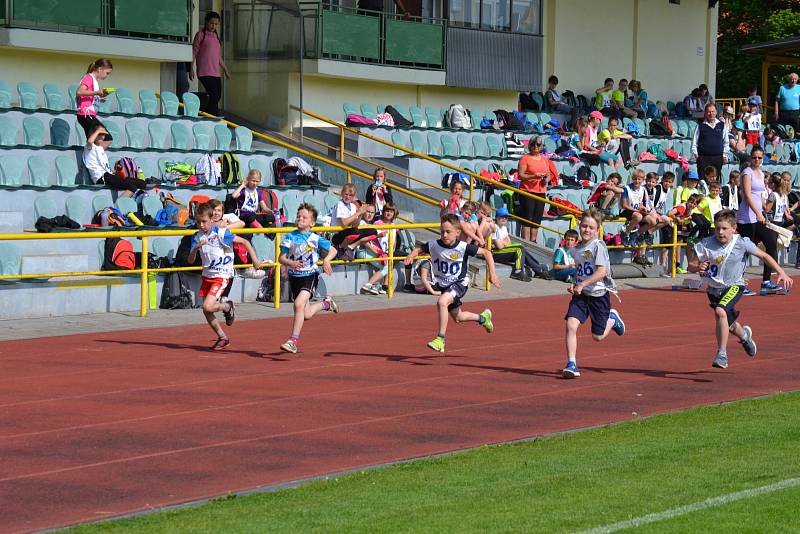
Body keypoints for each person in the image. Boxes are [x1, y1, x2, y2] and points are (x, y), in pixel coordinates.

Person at [689, 210, 792, 369]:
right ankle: (745, 336)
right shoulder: (706, 244)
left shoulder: (742, 243)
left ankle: (722, 354)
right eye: (717, 228)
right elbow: (691, 266)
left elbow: (764, 256)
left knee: (720, 312)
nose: (720, 232)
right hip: (714, 290)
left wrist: (781, 272)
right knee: (728, 324)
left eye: (724, 228)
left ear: (733, 228)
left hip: (735, 286)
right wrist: (698, 267)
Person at [403, 214, 500, 353]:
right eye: (442, 231)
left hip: (459, 283)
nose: (444, 234)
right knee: (458, 317)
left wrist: (493, 274)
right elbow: (419, 249)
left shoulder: (463, 247)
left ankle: (440, 339)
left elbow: (487, 253)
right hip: (444, 286)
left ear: (457, 232)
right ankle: (483, 318)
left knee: (442, 302)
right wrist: (411, 255)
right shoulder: (434, 245)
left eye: (448, 232)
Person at [188, 203, 264, 350]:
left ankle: (227, 306)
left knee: (207, 306)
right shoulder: (196, 237)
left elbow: (244, 241)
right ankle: (222, 337)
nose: (201, 225)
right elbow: (190, 261)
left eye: (204, 221)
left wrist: (254, 260)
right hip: (207, 275)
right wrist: (195, 249)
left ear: (211, 220)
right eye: (198, 222)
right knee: (206, 310)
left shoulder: (221, 233)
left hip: (222, 275)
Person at [562, 208, 625, 379]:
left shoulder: (599, 246)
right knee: (570, 325)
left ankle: (612, 319)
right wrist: (575, 284)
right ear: (579, 226)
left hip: (598, 295)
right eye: (584, 226)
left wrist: (582, 284)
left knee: (597, 336)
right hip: (581, 296)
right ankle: (571, 363)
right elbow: (580, 271)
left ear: (597, 229)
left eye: (591, 227)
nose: (587, 230)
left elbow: (601, 272)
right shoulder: (576, 250)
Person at [278, 203, 339, 354]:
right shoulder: (290, 237)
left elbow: (333, 250)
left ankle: (293, 341)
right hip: (294, 277)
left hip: (310, 276)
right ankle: (326, 304)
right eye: (298, 216)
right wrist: (291, 263)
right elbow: (281, 258)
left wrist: (326, 260)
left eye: (304, 217)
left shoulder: (315, 238)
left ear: (312, 223)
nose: (300, 218)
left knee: (298, 304)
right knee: (306, 314)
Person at [737, 145, 781, 294]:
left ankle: (766, 281)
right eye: (754, 157)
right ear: (751, 157)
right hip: (746, 218)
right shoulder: (746, 173)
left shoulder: (761, 174)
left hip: (758, 215)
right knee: (745, 251)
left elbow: (758, 196)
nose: (757, 160)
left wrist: (764, 208)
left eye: (759, 157)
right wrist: (758, 213)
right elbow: (747, 196)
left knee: (771, 242)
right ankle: (739, 284)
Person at [83, 125, 148, 196]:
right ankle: (118, 205)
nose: (102, 136)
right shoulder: (89, 148)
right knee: (132, 186)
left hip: (108, 175)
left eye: (103, 134)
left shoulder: (100, 148)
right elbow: (90, 141)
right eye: (100, 134)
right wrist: (98, 130)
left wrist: (116, 171)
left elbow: (109, 140)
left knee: (142, 183)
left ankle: (132, 200)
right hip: (101, 178)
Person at [516, 135, 558, 242]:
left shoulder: (544, 159)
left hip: (540, 191)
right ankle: (525, 241)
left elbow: (548, 174)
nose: (536, 146)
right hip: (527, 191)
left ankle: (533, 241)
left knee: (536, 219)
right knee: (527, 218)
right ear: (530, 146)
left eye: (538, 144)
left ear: (541, 146)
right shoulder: (525, 158)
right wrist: (533, 176)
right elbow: (520, 176)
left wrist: (546, 180)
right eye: (533, 144)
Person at [190, 11, 231, 117]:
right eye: (211, 23)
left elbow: (218, 56)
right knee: (213, 95)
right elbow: (194, 52)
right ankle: (213, 116)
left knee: (217, 97)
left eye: (216, 24)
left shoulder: (216, 37)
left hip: (215, 73)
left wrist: (225, 70)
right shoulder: (200, 35)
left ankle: (205, 114)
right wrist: (191, 68)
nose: (214, 26)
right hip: (204, 72)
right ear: (206, 22)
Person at [75, 58, 113, 137]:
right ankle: (89, 149)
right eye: (107, 73)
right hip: (85, 113)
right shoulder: (89, 77)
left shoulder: (94, 80)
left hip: (89, 114)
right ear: (100, 69)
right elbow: (79, 92)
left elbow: (89, 95)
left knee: (98, 139)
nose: (107, 76)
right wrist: (97, 92)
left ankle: (89, 149)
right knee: (105, 137)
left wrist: (99, 98)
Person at [691, 103, 729, 179]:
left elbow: (726, 141)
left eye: (713, 111)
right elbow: (694, 141)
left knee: (715, 183)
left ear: (716, 112)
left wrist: (724, 154)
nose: (711, 114)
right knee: (703, 181)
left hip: (718, 158)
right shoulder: (700, 125)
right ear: (705, 113)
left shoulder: (722, 125)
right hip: (703, 158)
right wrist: (696, 154)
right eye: (709, 112)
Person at [330, 183, 367, 250]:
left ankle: (350, 247)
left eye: (350, 195)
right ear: (342, 194)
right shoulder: (339, 204)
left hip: (348, 232)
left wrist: (360, 214)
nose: (348, 197)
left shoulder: (353, 206)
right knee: (355, 232)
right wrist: (357, 213)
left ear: (354, 196)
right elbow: (344, 223)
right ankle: (341, 248)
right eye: (346, 194)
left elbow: (355, 225)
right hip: (337, 234)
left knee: (372, 231)